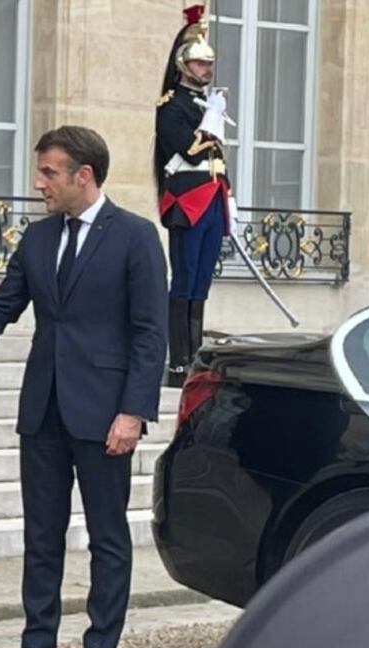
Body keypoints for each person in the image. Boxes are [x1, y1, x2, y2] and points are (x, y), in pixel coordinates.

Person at [0, 126, 167, 648]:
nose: (39, 183)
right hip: (44, 409)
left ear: (84, 175)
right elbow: (5, 303)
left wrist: (133, 412)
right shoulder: (37, 238)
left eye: (49, 172)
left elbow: (151, 334)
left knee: (107, 538)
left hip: (105, 414)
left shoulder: (135, 237)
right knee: (41, 535)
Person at [154, 4, 234, 387]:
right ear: (185, 66)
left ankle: (196, 355)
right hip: (187, 202)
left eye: (209, 64)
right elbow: (187, 148)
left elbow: (218, 160)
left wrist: (228, 198)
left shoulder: (207, 105)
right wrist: (212, 119)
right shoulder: (172, 107)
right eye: (201, 65)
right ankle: (178, 362)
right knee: (184, 281)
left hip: (212, 200)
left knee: (202, 282)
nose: (207, 70)